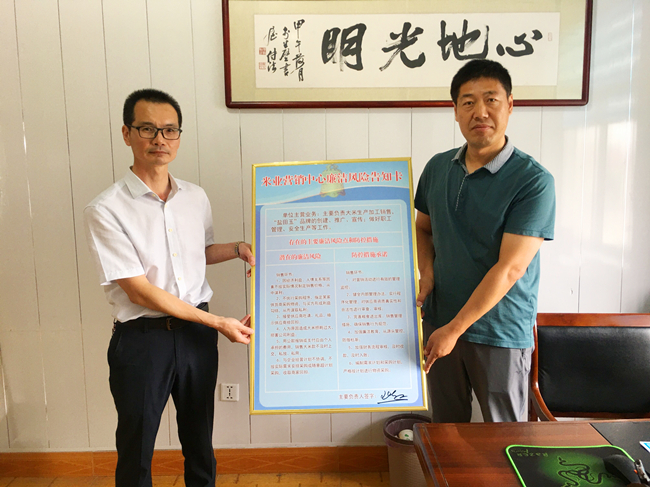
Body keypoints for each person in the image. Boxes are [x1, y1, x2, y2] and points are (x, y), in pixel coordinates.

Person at [84, 88, 254, 486]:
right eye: (147, 129)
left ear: (178, 136)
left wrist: (238, 248)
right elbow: (138, 290)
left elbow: (197, 253)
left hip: (196, 338)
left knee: (200, 441)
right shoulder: (106, 208)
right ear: (127, 133)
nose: (160, 139)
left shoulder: (194, 196)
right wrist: (218, 322)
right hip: (143, 340)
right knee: (137, 447)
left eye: (170, 130)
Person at [414, 59, 555, 423]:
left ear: (510, 105)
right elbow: (423, 228)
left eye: (491, 100)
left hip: (500, 332)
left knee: (504, 437)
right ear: (455, 111)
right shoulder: (437, 168)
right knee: (446, 430)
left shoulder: (533, 181)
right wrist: (427, 274)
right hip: (440, 323)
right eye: (468, 102)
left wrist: (454, 329)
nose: (480, 112)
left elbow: (510, 269)